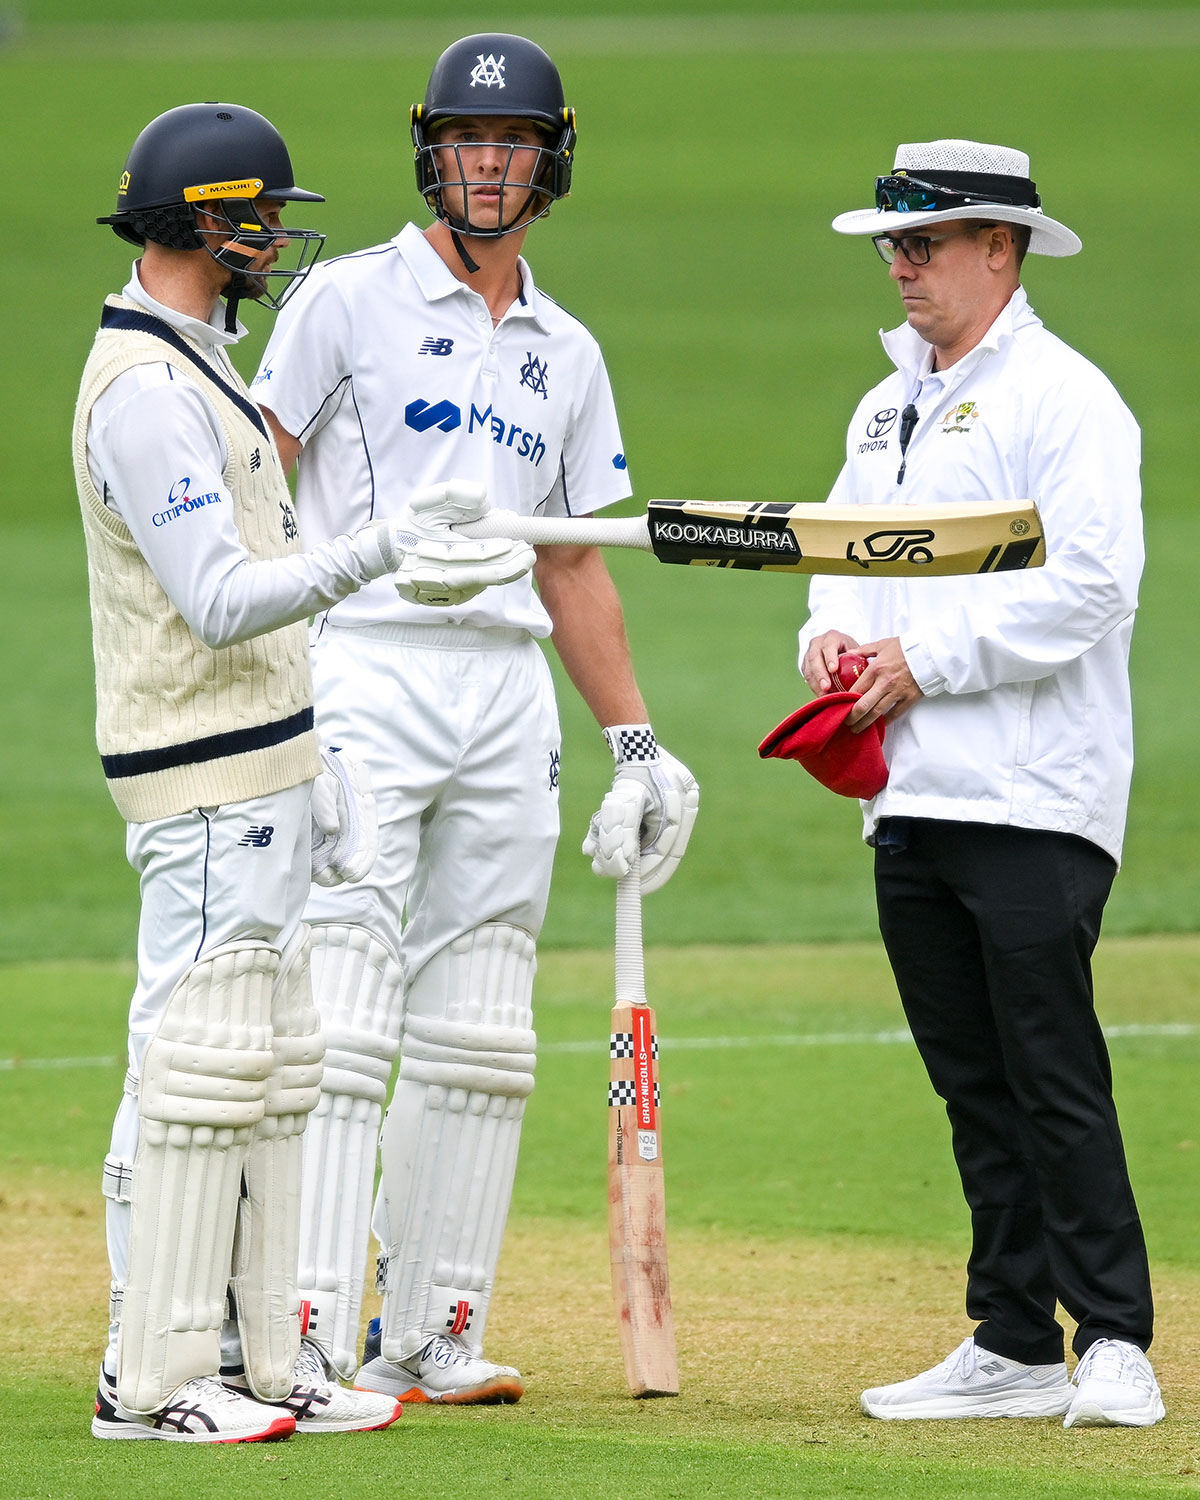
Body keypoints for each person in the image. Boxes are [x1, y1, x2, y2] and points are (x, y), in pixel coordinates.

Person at [76, 101, 533, 1442]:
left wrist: (315, 755)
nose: (276, 235)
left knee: (276, 1064)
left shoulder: (199, 367)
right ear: (203, 221)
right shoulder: (148, 394)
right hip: (198, 772)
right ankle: (150, 1380)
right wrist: (386, 547)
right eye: (258, 214)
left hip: (265, 767)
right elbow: (218, 602)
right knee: (203, 1063)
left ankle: (272, 1365)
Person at [254, 32, 698, 1405]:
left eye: (507, 144)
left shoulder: (567, 350)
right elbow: (259, 478)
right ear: (429, 152)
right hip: (368, 660)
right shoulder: (342, 299)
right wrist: (282, 687)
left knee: (484, 1019)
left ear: (547, 159)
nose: (484, 165)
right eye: (463, 142)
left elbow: (573, 559)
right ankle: (308, 1329)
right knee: (340, 1005)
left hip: (504, 687)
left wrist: (636, 742)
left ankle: (434, 1326)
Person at [799, 139, 1162, 1429]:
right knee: (972, 1082)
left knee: (1051, 1069)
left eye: (925, 243)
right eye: (893, 245)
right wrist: (834, 640)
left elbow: (1095, 588)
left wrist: (925, 657)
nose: (900, 266)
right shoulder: (881, 404)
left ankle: (1115, 1337)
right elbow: (843, 553)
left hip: (1032, 793)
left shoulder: (1070, 401)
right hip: (910, 793)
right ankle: (1011, 1338)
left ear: (999, 248)